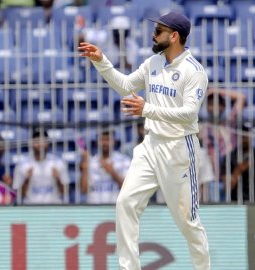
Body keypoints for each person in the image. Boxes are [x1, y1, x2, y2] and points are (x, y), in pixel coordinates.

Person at [79, 11, 210, 269]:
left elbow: (189, 114)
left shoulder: (194, 71)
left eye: (159, 30)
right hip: (150, 145)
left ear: (174, 36)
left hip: (179, 149)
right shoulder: (153, 63)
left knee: (188, 223)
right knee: (125, 203)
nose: (153, 34)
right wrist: (101, 61)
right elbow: (126, 86)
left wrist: (146, 109)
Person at [12, 128, 70, 204]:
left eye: (43, 140)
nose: (40, 144)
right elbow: (18, 194)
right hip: (31, 209)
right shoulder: (22, 164)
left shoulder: (58, 163)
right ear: (32, 142)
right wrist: (27, 180)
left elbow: (66, 191)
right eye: (37, 140)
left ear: (48, 143)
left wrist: (57, 179)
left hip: (54, 209)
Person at [80, 129, 131, 204]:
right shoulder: (91, 162)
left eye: (108, 140)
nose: (105, 143)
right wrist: (85, 168)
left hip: (116, 208)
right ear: (97, 142)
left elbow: (129, 188)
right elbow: (83, 190)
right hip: (94, 209)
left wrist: (112, 172)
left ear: (114, 141)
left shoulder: (124, 161)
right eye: (102, 140)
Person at [220, 124, 255, 202]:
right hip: (237, 202)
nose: (244, 139)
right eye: (242, 136)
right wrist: (238, 170)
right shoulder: (229, 158)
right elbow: (227, 187)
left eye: (246, 135)